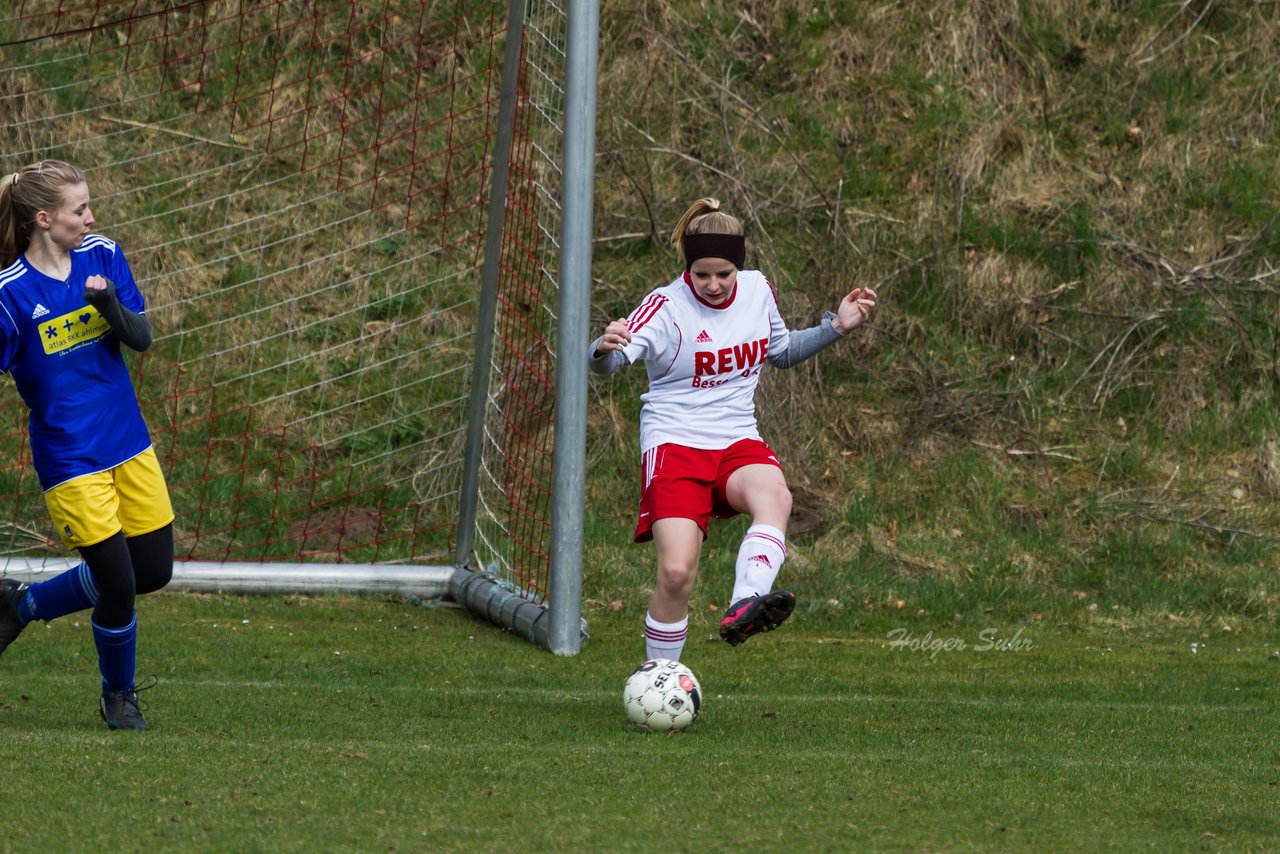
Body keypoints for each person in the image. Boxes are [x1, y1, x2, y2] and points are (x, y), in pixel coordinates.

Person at [588, 197, 877, 663]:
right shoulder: (664, 306)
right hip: (675, 442)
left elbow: (780, 351)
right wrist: (601, 348)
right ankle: (660, 677)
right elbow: (612, 361)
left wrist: (837, 326)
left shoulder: (758, 289)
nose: (714, 284)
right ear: (689, 267)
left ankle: (746, 602)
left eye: (724, 273)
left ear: (738, 266)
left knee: (777, 497)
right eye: (702, 273)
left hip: (737, 438)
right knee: (677, 574)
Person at [0, 160, 174, 730]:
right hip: (70, 458)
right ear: (44, 219)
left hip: (129, 442)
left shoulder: (102, 254)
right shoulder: (10, 295)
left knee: (152, 572)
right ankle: (119, 696)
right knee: (118, 583)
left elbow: (141, 338)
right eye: (80, 210)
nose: (90, 217)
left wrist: (106, 306)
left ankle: (21, 605)